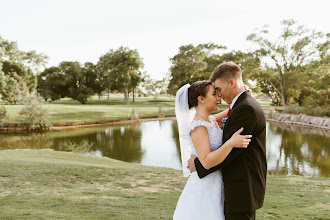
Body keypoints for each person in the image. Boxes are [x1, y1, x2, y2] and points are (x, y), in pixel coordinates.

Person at [187, 62, 267, 220]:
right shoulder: (241, 105)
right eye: (214, 92)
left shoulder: (246, 108)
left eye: (219, 89)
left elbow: (231, 153)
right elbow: (215, 123)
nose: (219, 95)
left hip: (241, 190)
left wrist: (197, 164)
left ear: (232, 83)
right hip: (233, 189)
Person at [173, 80, 252, 220]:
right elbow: (207, 162)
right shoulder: (198, 127)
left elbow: (231, 111)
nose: (219, 97)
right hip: (205, 187)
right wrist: (230, 144)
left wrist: (243, 93)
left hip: (216, 184)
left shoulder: (211, 120)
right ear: (201, 99)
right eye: (214, 94)